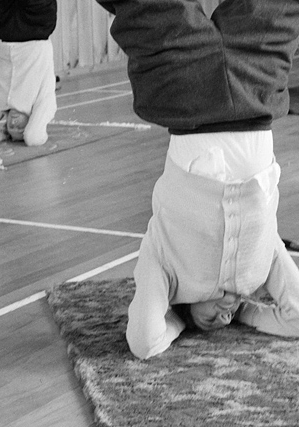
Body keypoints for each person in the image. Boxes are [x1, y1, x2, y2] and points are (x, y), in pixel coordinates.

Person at [95, 0, 299, 359]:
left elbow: (144, 342)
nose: (226, 315)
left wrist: (179, 322)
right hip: (257, 80)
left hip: (185, 89)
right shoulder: (262, 267)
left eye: (212, 320)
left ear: (183, 306)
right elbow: (295, 318)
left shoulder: (168, 270)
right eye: (231, 316)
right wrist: (248, 313)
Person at [0, 0, 57, 146]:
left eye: (10, 127)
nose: (14, 123)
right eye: (20, 127)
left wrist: (5, 135)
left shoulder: (0, 102)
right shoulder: (40, 101)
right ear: (31, 120)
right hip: (36, 22)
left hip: (6, 23)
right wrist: (26, 133)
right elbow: (34, 138)